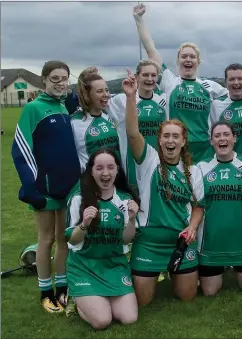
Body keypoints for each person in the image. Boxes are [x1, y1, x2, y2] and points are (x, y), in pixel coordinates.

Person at [122, 70, 204, 306]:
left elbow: (199, 206)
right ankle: (151, 271)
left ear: (183, 141)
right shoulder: (149, 160)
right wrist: (130, 96)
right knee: (143, 301)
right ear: (159, 140)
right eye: (166, 136)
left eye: (175, 137)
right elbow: (132, 133)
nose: (170, 141)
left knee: (187, 296)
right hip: (149, 242)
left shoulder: (194, 171)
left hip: (181, 241)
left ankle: (174, 271)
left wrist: (192, 226)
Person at [11, 60, 81, 313]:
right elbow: (20, 148)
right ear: (43, 80)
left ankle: (62, 289)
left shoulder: (64, 107)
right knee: (46, 239)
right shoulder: (33, 108)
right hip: (44, 189)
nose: (61, 83)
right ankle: (45, 292)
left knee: (64, 240)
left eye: (64, 78)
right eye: (55, 79)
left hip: (67, 188)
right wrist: (31, 188)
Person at [133, 3, 227, 162]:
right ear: (178, 61)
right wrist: (139, 19)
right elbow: (151, 50)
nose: (188, 59)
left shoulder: (210, 87)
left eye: (192, 57)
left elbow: (237, 96)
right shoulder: (170, 81)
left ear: (198, 61)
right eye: (184, 56)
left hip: (204, 150)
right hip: (176, 148)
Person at [65, 149, 139, 329]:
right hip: (85, 266)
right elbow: (73, 241)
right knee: (102, 321)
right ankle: (76, 297)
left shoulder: (124, 200)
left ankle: (96, 299)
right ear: (91, 171)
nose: (105, 173)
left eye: (110, 167)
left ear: (117, 170)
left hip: (114, 265)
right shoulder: (79, 199)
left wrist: (130, 219)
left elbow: (125, 240)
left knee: (129, 318)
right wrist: (84, 224)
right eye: (99, 168)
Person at [195, 121, 242, 296]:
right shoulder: (201, 168)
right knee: (209, 292)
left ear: (234, 138)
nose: (222, 139)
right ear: (211, 141)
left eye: (226, 134)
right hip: (211, 242)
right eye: (217, 136)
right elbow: (196, 205)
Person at [107, 59, 168, 192]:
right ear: (137, 76)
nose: (150, 79)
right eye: (145, 75)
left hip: (157, 162)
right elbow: (96, 102)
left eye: (153, 75)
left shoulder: (163, 100)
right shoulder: (122, 100)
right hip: (131, 164)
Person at [71, 67, 120, 172]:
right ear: (87, 95)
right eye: (99, 91)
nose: (106, 95)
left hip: (114, 179)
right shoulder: (74, 123)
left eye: (106, 90)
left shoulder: (108, 118)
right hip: (90, 182)